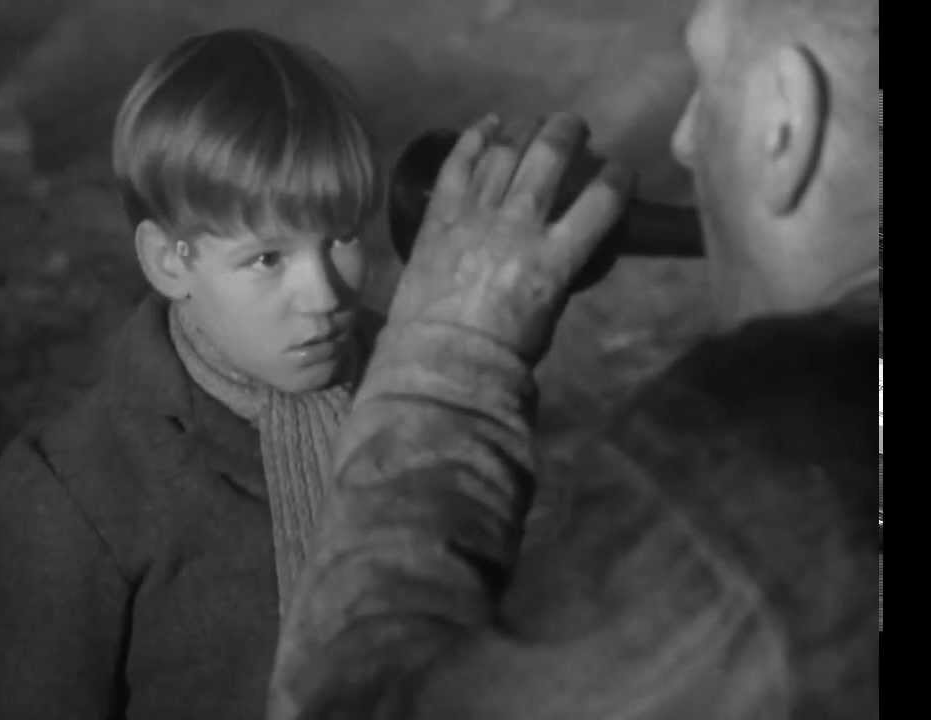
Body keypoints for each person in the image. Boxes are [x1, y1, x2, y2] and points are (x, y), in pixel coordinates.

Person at [267, 0, 879, 717]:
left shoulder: (744, 495)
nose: (684, 140)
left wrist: (447, 366)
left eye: (710, 81)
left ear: (785, 125)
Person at [0, 28, 385, 719]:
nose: (323, 297)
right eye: (267, 259)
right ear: (169, 262)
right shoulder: (77, 496)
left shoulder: (417, 396)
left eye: (341, 237)